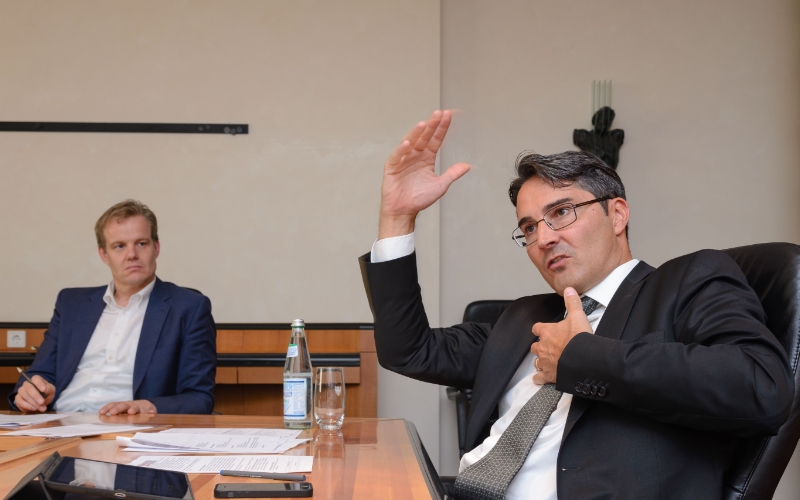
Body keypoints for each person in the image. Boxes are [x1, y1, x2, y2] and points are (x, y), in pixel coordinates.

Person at [359, 110, 793, 499]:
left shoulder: (687, 282)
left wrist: (582, 358)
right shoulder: (525, 318)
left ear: (617, 214)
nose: (544, 238)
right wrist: (397, 218)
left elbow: (762, 389)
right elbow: (409, 350)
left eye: (562, 212)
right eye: (529, 228)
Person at [10, 200, 216, 415]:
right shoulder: (71, 304)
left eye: (141, 243)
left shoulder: (189, 308)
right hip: (58, 422)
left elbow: (199, 397)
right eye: (120, 246)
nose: (132, 254)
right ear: (104, 255)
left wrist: (148, 406)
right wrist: (31, 393)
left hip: (127, 425)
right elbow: (39, 374)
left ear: (156, 248)